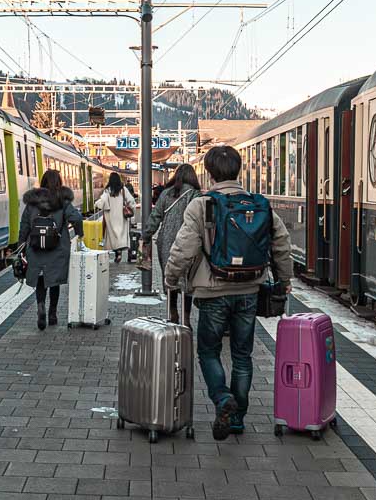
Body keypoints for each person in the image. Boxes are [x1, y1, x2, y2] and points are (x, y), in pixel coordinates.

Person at [164, 145, 293, 441]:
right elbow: (282, 243)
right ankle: (237, 418)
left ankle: (222, 399)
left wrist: (171, 279)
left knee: (208, 351)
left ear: (209, 173)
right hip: (250, 289)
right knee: (242, 355)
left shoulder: (201, 204)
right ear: (238, 170)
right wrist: (284, 280)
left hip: (212, 291)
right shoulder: (259, 204)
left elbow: (184, 248)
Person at [19, 169, 84, 330]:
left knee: (41, 280)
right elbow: (76, 218)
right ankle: (52, 313)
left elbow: (25, 225)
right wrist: (80, 234)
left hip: (35, 248)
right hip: (57, 249)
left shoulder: (32, 202)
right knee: (54, 281)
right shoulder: (63, 201)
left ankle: (40, 306)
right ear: (58, 182)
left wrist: (21, 244)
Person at [142, 163, 201, 320]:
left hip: (166, 242)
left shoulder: (166, 193)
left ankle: (172, 312)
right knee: (188, 280)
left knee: (170, 278)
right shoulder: (196, 195)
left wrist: (147, 235)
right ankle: (186, 317)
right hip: (190, 242)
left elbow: (155, 217)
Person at [95, 172, 136, 263]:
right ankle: (119, 251)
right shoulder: (123, 190)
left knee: (112, 235)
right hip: (121, 216)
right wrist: (131, 208)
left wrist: (96, 204)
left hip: (111, 216)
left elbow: (103, 202)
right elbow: (131, 201)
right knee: (120, 234)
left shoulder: (108, 190)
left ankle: (117, 252)